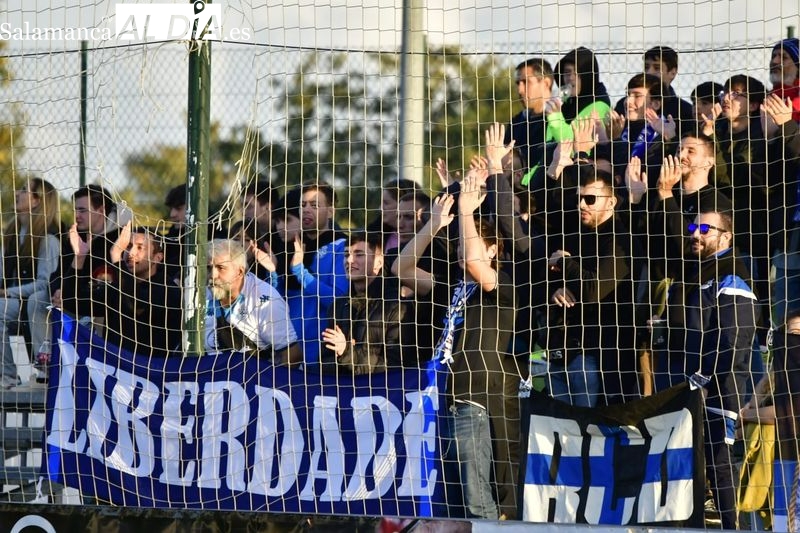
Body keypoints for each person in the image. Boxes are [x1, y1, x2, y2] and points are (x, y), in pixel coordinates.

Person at [395, 176, 520, 520]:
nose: (463, 248)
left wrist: (465, 212)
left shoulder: (502, 287)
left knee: (478, 502)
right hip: (443, 398)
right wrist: (433, 225)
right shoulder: (450, 284)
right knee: (452, 506)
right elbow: (400, 268)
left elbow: (474, 264)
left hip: (474, 400)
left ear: (494, 249)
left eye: (476, 241)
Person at [653, 210, 758, 530]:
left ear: (725, 236)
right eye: (691, 227)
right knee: (685, 460)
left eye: (704, 228)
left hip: (719, 387)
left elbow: (734, 338)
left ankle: (732, 527)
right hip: (687, 384)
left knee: (720, 463)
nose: (695, 234)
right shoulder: (694, 274)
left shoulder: (732, 275)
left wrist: (704, 376)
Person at [546, 166, 643, 406]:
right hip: (563, 350)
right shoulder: (575, 233)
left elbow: (592, 289)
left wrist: (564, 262)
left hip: (602, 360)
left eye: (590, 199)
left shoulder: (621, 240)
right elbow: (549, 276)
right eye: (579, 198)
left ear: (611, 202)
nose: (582, 205)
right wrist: (554, 290)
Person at [74, 224, 184, 357]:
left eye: (139, 247)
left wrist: (116, 256)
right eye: (128, 246)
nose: (130, 253)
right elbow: (73, 302)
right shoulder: (118, 287)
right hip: (115, 370)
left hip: (151, 373)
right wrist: (79, 257)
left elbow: (137, 305)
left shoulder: (168, 289)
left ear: (158, 258)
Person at [320, 231, 416, 374]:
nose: (349, 260)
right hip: (342, 394)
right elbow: (323, 363)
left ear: (379, 262)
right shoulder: (338, 306)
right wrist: (342, 353)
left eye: (359, 254)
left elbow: (396, 366)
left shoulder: (396, 306)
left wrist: (346, 352)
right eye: (346, 255)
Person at [0, 179, 61, 389]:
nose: (17, 192)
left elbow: (45, 284)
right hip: (15, 302)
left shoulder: (48, 238)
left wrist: (8, 292)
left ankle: (20, 375)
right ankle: (7, 376)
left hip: (34, 302)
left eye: (25, 190)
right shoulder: (11, 235)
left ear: (37, 201)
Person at [205, 238, 300, 365]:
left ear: (240, 271)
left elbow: (293, 356)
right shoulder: (199, 294)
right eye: (208, 268)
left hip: (258, 379)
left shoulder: (266, 301)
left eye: (221, 268)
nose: (212, 275)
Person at [284, 184, 349, 367]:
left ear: (330, 212)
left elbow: (338, 300)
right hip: (288, 354)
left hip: (321, 359)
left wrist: (301, 273)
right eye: (303, 205)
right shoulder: (291, 246)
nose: (306, 210)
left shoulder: (341, 247)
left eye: (314, 205)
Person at [548, 46, 612, 141]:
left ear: (588, 75)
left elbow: (576, 146)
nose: (571, 77)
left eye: (578, 72)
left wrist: (555, 118)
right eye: (567, 72)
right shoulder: (564, 104)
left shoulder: (598, 106)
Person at [504, 57, 555, 169]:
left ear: (546, 83)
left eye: (526, 82)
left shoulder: (562, 119)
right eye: (518, 83)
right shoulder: (516, 122)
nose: (520, 90)